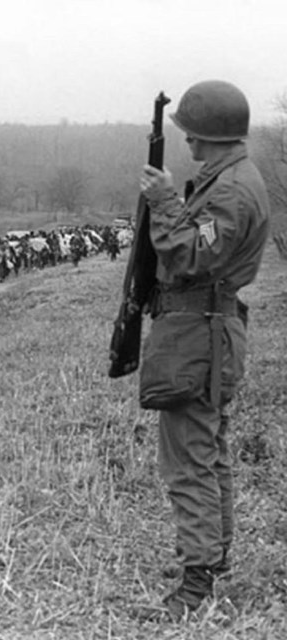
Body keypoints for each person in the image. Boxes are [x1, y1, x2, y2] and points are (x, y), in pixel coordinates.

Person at [136, 80, 269, 620]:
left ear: (207, 136)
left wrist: (165, 200)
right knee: (208, 453)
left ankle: (197, 584)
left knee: (189, 460)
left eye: (190, 133)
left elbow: (192, 256)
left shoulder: (232, 190)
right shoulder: (228, 178)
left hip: (200, 331)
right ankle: (212, 562)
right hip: (203, 327)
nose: (185, 142)